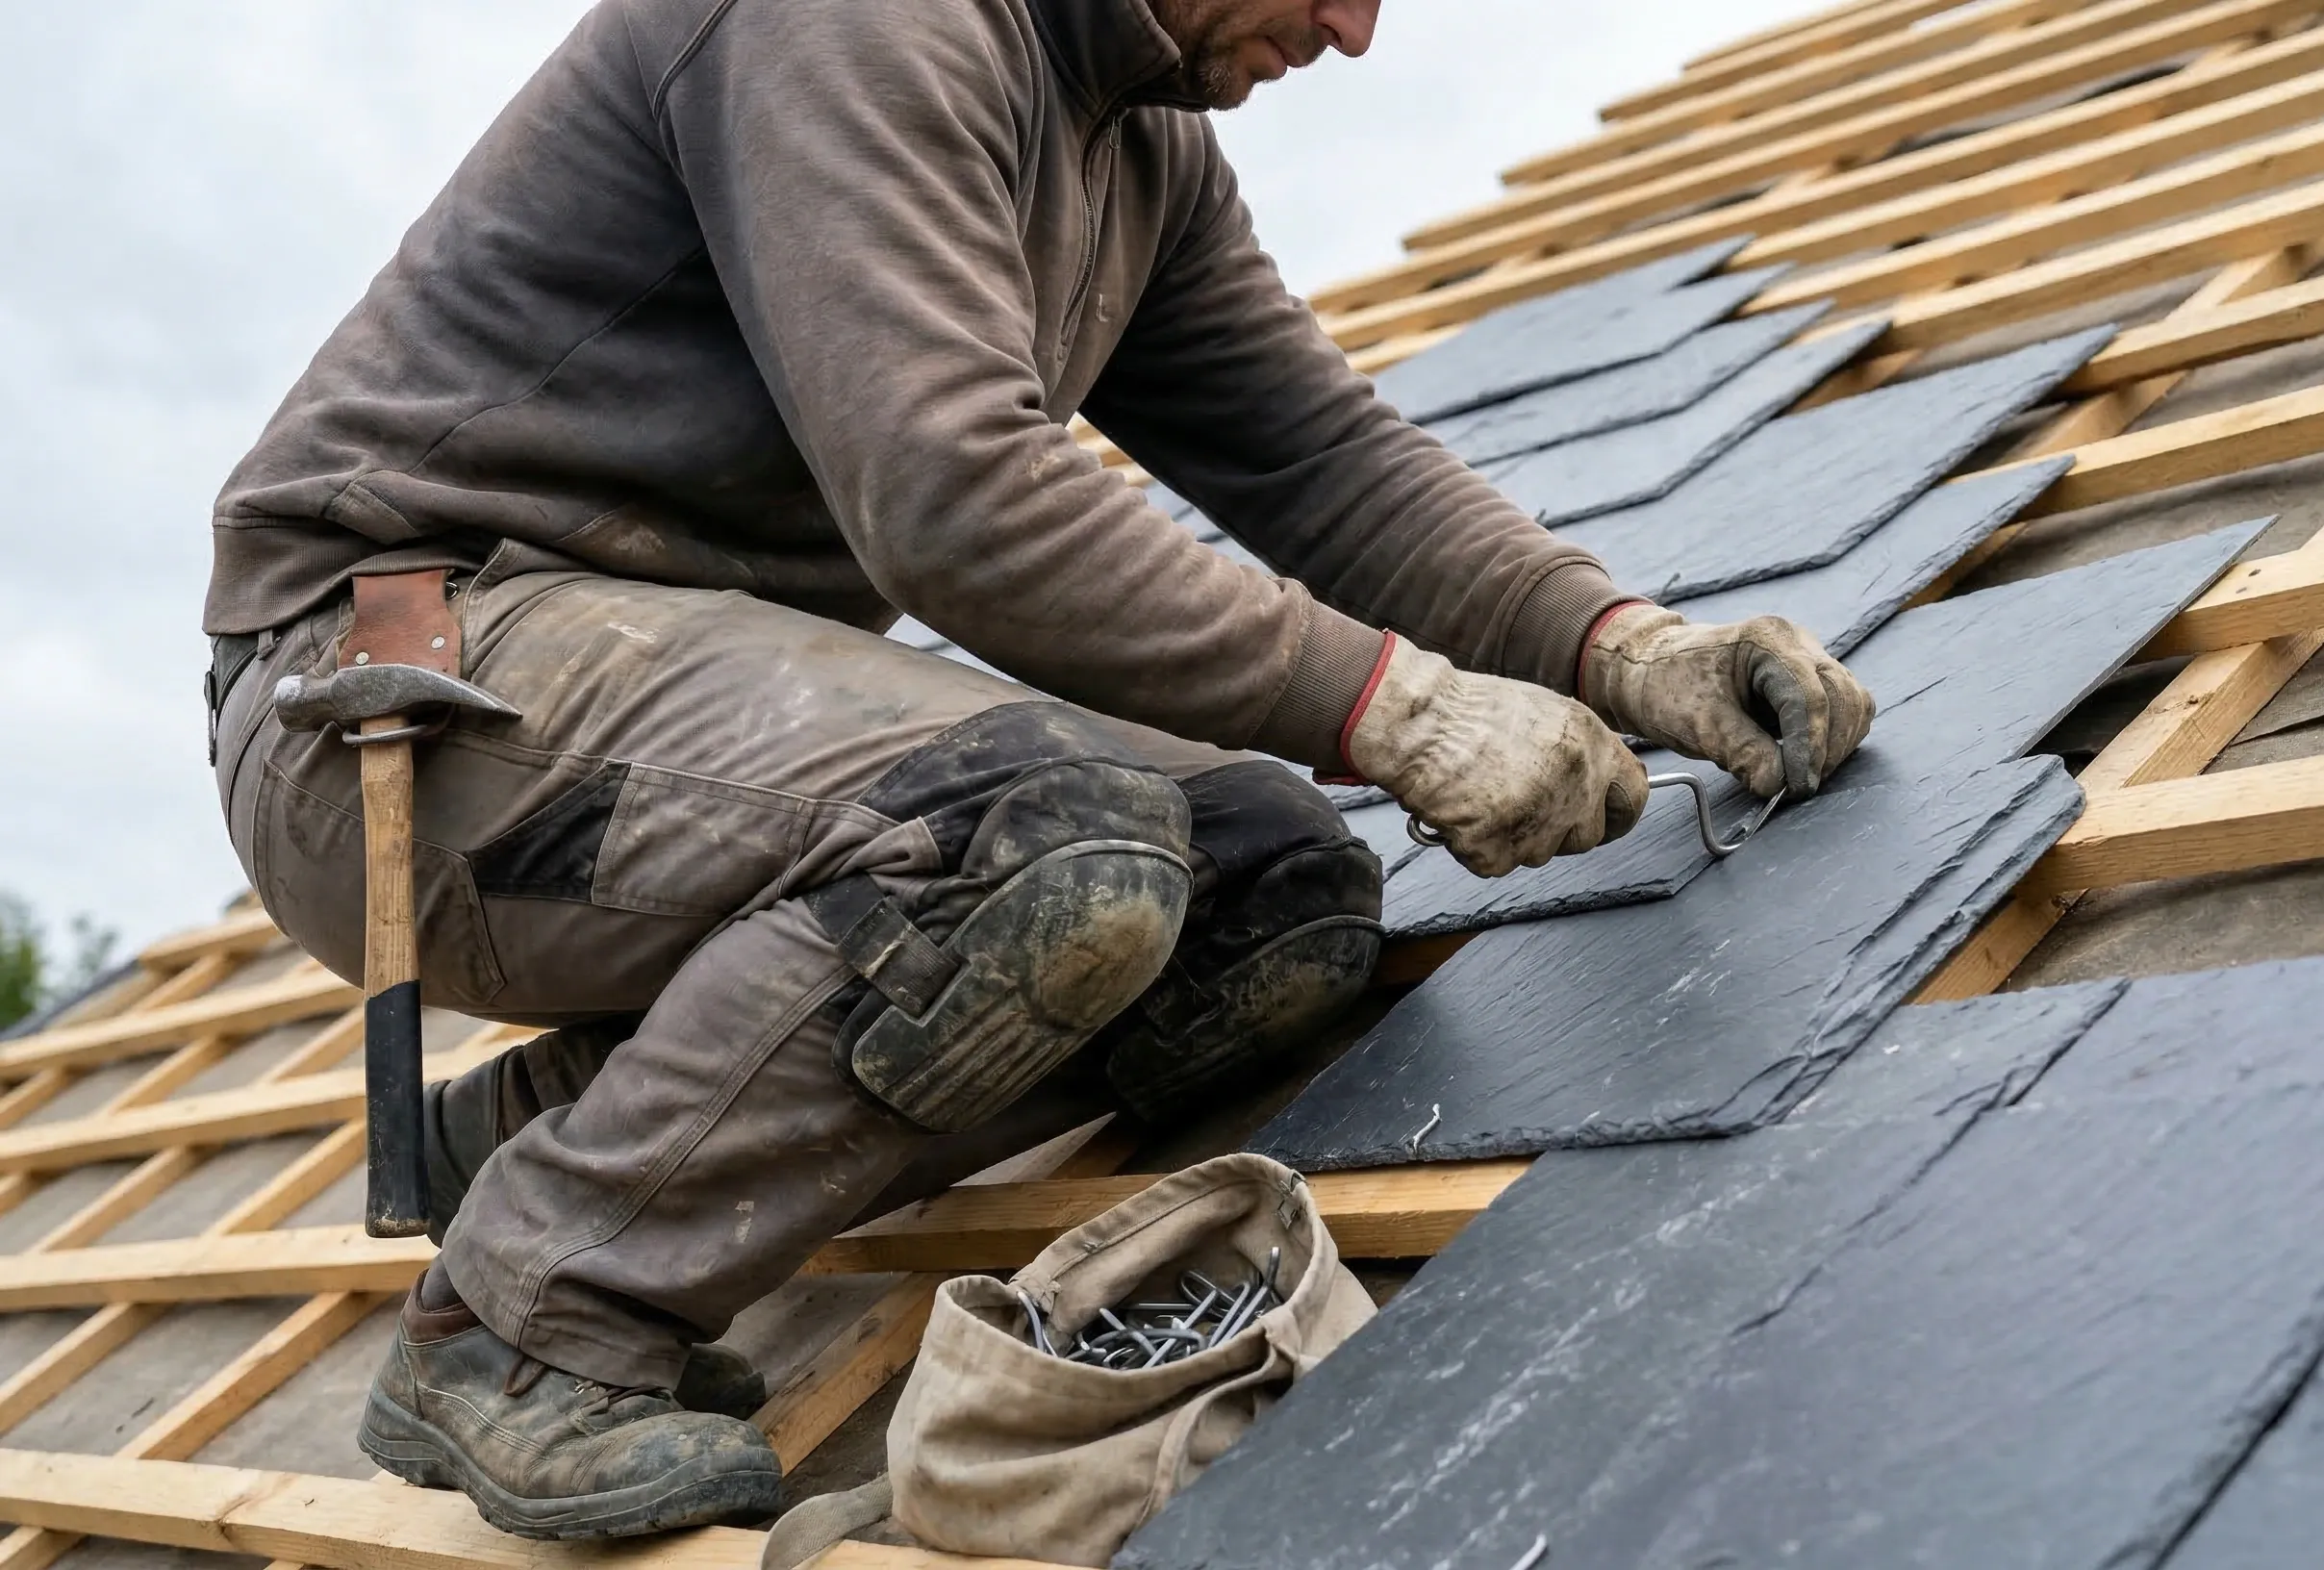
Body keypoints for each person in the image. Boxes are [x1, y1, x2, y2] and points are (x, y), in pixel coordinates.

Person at [201, 0, 1872, 1539]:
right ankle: (517, 1323)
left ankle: (557, 1129)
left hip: (657, 696)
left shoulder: (1138, 144)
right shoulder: (855, 22)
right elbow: (951, 493)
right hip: (403, 704)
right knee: (1041, 846)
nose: (1357, 35)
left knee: (1269, 894)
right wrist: (1406, 713)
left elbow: (1316, 457)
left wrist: (1615, 647)